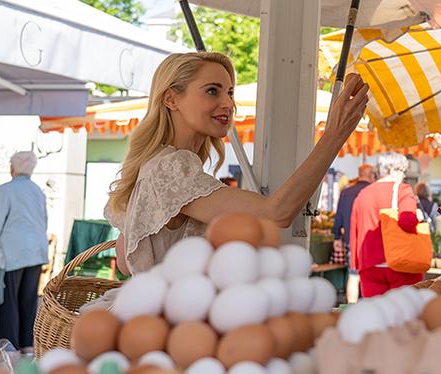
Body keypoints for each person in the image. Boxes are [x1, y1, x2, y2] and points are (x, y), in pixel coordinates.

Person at [106, 52, 368, 277]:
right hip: (173, 315)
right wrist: (334, 135)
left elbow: (126, 263)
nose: (229, 104)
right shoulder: (171, 167)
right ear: (171, 99)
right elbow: (277, 213)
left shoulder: (158, 163)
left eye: (230, 93)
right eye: (212, 91)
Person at [0, 152, 48, 354]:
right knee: (28, 299)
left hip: (12, 252)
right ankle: (27, 346)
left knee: (9, 301)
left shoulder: (5, 190)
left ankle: (9, 347)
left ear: (12, 168)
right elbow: (44, 220)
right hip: (36, 250)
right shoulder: (38, 191)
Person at [350, 153, 422, 297]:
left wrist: (355, 265)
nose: (404, 176)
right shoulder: (402, 190)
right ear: (393, 170)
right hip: (399, 264)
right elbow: (407, 221)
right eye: (403, 171)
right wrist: (418, 217)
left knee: (376, 309)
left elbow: (354, 230)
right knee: (404, 309)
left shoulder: (363, 194)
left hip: (369, 265)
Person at [333, 163, 375, 302]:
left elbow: (338, 216)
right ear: (371, 175)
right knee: (369, 276)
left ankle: (351, 307)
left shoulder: (346, 192)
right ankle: (368, 306)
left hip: (351, 240)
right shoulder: (372, 191)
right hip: (370, 240)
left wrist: (337, 237)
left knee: (353, 275)